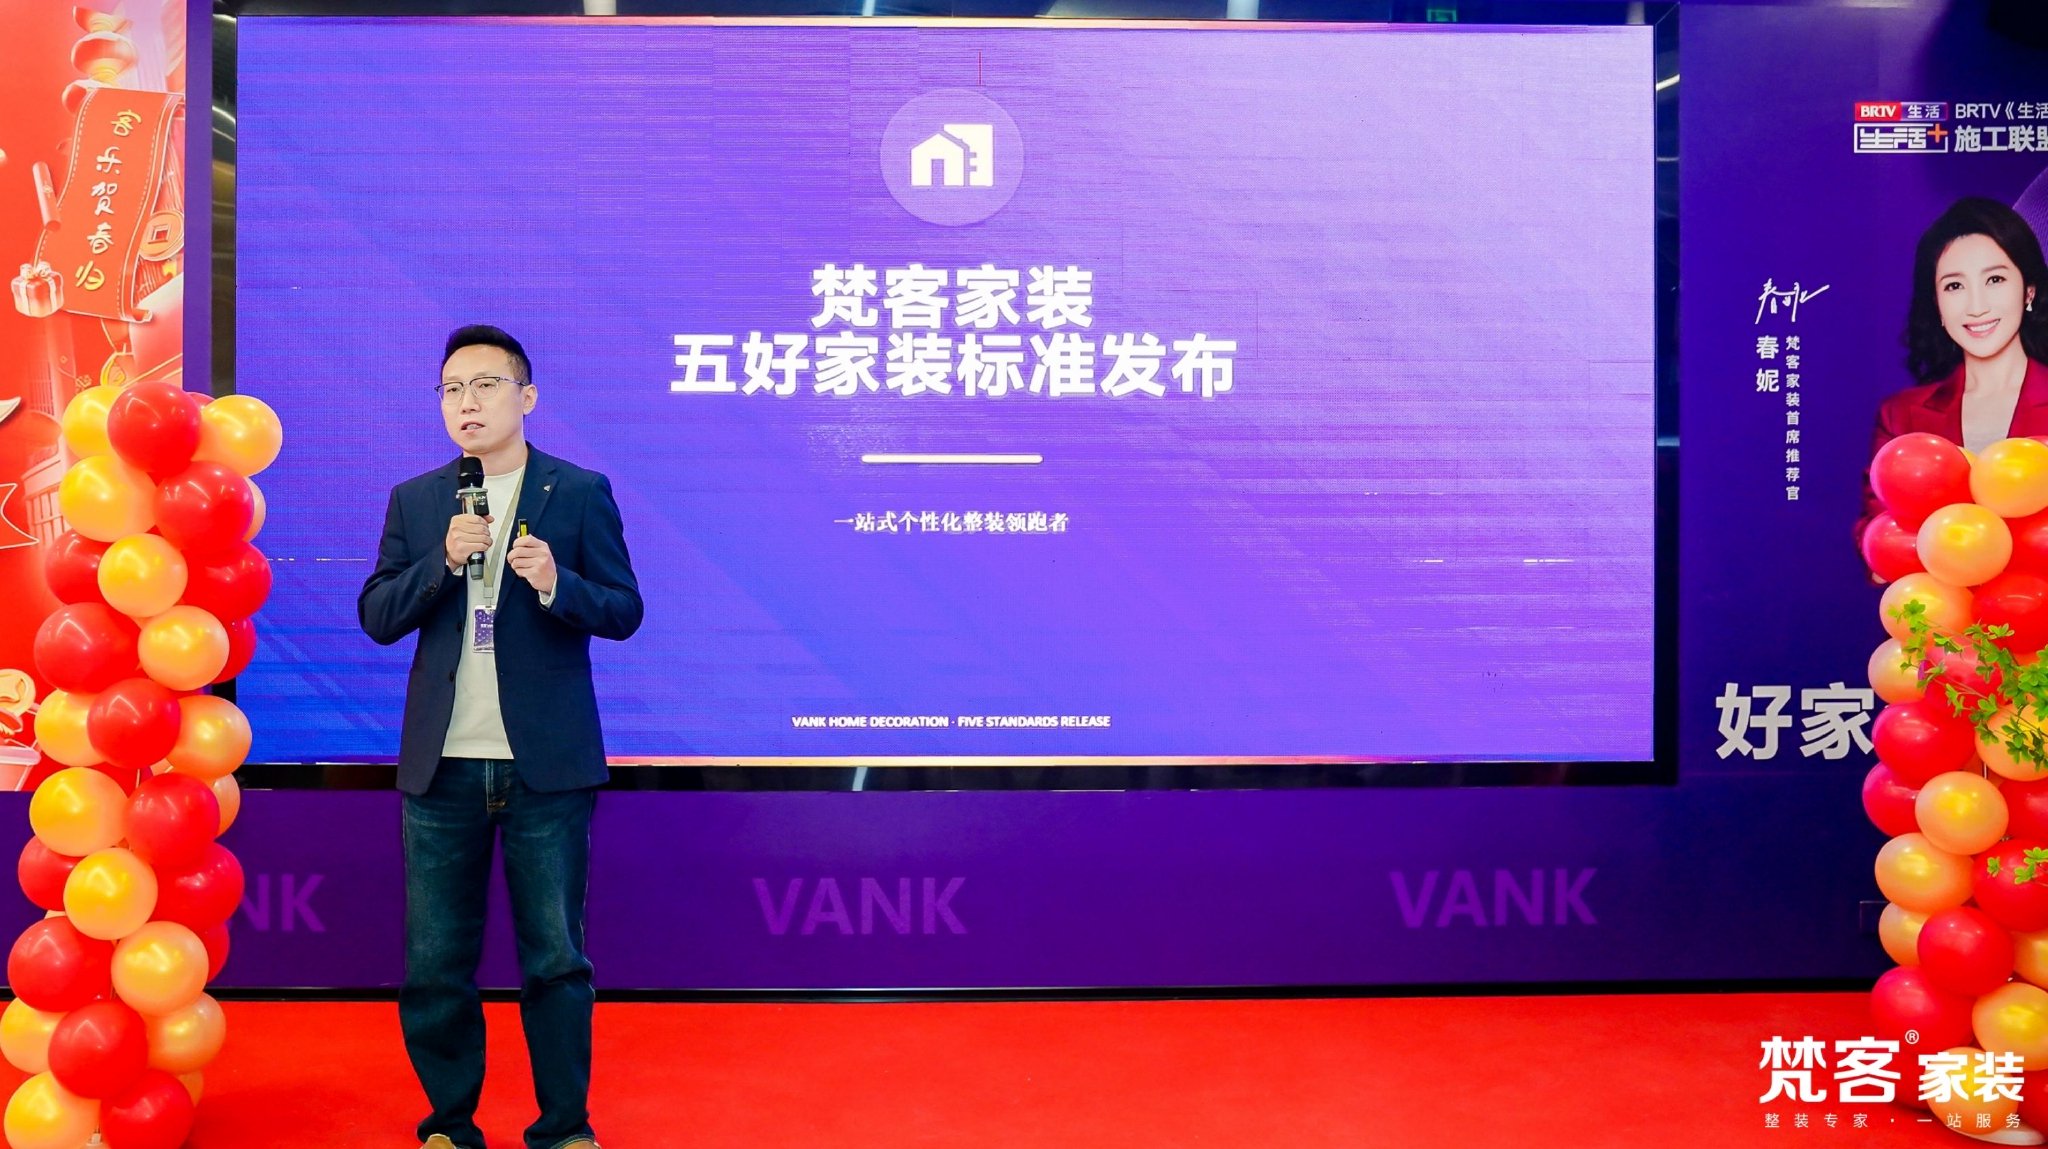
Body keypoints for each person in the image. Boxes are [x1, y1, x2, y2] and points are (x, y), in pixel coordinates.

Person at [358, 324, 643, 1149]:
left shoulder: (578, 491)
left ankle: (564, 1127)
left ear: (527, 397)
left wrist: (557, 583)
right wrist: (440, 563)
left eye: (485, 385)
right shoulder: (418, 500)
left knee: (555, 958)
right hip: (442, 766)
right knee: (436, 963)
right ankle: (449, 1124)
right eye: (452, 389)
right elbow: (377, 614)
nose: (467, 403)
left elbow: (623, 609)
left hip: (545, 767)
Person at [1859, 196, 2048, 546]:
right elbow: (1882, 541)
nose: (1976, 307)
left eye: (1995, 279)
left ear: (2029, 291)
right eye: (1954, 286)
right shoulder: (1901, 417)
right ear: (1938, 305)